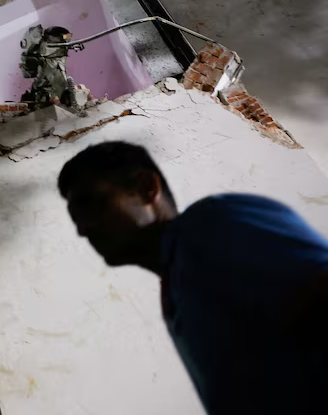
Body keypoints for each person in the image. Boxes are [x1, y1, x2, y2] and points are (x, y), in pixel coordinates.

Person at [58, 141, 328, 415]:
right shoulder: (177, 282)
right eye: (75, 219)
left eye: (91, 203)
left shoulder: (211, 225)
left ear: (146, 188)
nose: (82, 230)